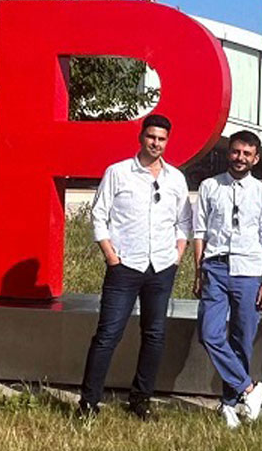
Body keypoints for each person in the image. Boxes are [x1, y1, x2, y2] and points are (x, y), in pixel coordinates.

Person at [78, 114, 192, 420]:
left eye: (162, 139)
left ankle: (140, 400)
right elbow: (99, 215)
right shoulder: (118, 173)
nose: (156, 143)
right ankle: (88, 403)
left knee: (154, 335)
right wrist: (111, 256)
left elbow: (184, 222)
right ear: (141, 137)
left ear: (168, 142)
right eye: (151, 137)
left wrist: (177, 256)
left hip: (161, 268)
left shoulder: (176, 179)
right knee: (108, 335)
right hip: (125, 266)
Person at [190, 130, 262, 428]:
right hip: (215, 267)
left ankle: (229, 403)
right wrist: (199, 270)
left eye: (247, 154)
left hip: (249, 272)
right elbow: (199, 231)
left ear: (256, 158)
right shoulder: (210, 186)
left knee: (242, 339)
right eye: (236, 152)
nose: (240, 158)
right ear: (230, 152)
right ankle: (250, 388)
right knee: (209, 333)